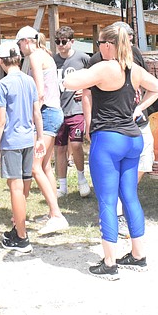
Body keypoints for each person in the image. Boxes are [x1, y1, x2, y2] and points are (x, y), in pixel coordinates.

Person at [64, 23, 158, 279]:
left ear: (109, 45)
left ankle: (109, 262)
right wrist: (138, 109)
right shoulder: (133, 69)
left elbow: (70, 82)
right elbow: (157, 88)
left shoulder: (104, 67)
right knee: (130, 196)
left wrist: (70, 75)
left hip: (108, 140)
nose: (98, 49)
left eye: (99, 44)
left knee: (108, 201)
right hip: (133, 138)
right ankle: (138, 254)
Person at [0, 41, 44, 253]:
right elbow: (37, 112)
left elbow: (0, 119)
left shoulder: (2, 85)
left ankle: (21, 237)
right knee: (24, 186)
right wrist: (39, 136)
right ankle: (18, 227)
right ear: (19, 59)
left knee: (15, 188)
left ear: (0, 61)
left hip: (12, 142)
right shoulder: (29, 81)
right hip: (28, 139)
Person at [15, 26, 69, 234]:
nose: (19, 49)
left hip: (46, 114)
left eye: (19, 44)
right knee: (45, 166)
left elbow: (38, 91)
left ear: (27, 41)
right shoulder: (44, 54)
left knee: (34, 167)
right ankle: (52, 211)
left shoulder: (36, 57)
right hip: (53, 112)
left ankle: (56, 215)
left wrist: (29, 113)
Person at [52, 26, 92, 198]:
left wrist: (84, 89)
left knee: (76, 144)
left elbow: (94, 77)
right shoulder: (53, 61)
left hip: (76, 109)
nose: (60, 45)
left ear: (72, 42)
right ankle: (62, 185)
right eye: (57, 42)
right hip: (58, 109)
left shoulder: (83, 58)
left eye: (63, 42)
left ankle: (82, 179)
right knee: (59, 148)